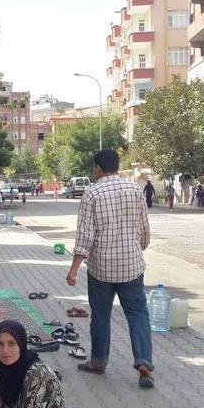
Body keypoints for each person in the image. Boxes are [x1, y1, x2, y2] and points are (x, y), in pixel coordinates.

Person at [67, 149, 154, 388]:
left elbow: (85, 235)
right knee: (137, 314)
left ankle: (98, 362)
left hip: (102, 269)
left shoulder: (92, 193)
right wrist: (137, 249)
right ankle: (144, 362)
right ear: (117, 166)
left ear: (97, 168)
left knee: (101, 315)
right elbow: (144, 230)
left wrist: (74, 269)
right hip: (132, 265)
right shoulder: (135, 190)